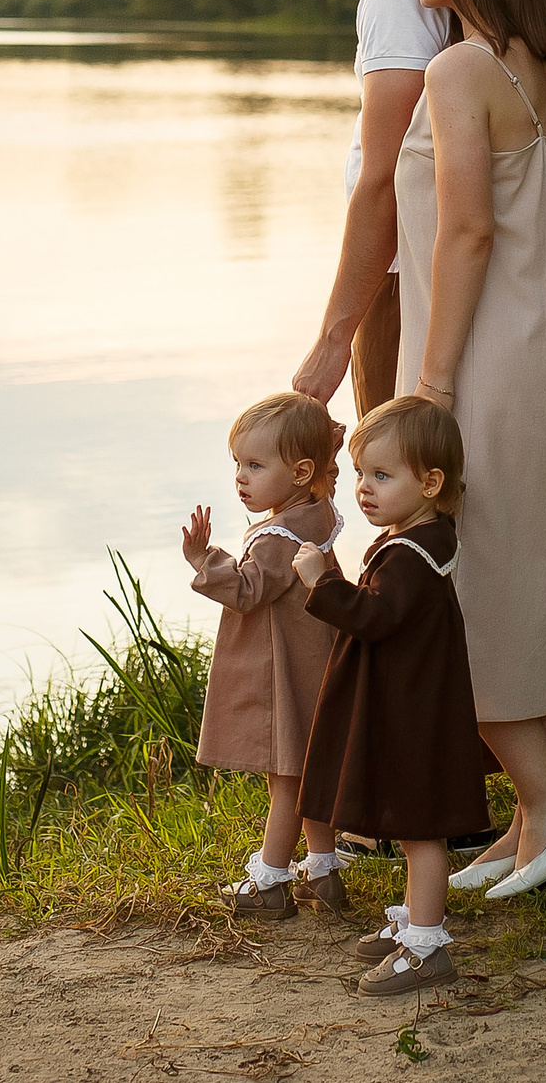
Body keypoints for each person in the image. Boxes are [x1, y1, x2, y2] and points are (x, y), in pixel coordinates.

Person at [394, 0, 546, 901]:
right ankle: (536, 815)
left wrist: (429, 384)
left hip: (484, 351)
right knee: (537, 573)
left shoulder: (459, 68)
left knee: (468, 585)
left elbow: (469, 230)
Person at [290, 396, 488, 996]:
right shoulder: (424, 535)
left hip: (412, 712)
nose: (363, 489)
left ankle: (427, 947)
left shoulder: (406, 555)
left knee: (420, 829)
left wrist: (322, 581)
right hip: (415, 701)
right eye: (358, 474)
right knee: (411, 823)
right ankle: (413, 926)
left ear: (430, 483)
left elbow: (374, 618)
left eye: (381, 476)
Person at [292, 0, 465, 417]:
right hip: (422, 269)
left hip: (394, 280)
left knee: (390, 480)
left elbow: (387, 170)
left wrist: (336, 336)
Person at [181, 391, 350, 920]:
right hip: (313, 665)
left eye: (255, 465)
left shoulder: (277, 536)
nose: (241, 477)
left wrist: (204, 559)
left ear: (301, 471)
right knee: (308, 769)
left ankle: (270, 881)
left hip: (287, 676)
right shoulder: (315, 515)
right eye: (237, 464)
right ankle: (323, 871)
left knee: (286, 779)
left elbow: (250, 589)